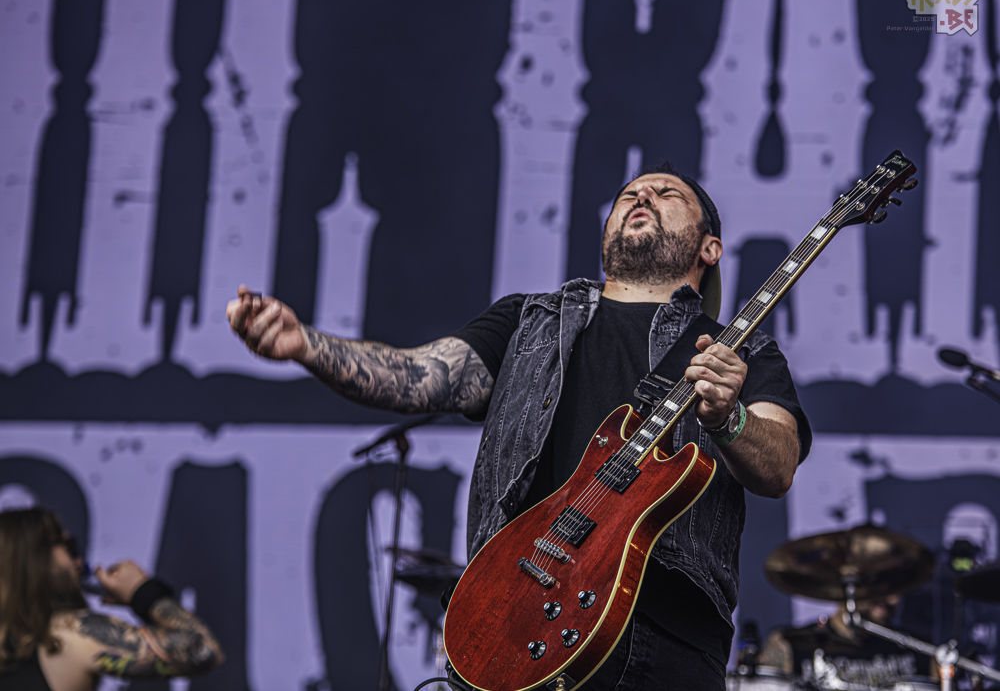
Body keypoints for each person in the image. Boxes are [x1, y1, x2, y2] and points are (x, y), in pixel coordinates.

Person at [227, 161, 811, 690]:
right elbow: (418, 378)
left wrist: (728, 417)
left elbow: (779, 463)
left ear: (710, 247)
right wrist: (307, 345)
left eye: (666, 194)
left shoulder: (740, 351)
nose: (642, 197)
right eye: (629, 193)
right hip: (508, 619)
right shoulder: (530, 322)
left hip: (662, 634)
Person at [0, 507, 224, 690]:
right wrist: (143, 592)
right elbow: (204, 651)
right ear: (36, 557)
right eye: (70, 548)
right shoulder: (65, 634)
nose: (80, 563)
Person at [756, 596, 935, 688]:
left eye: (898, 587)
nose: (893, 599)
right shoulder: (790, 643)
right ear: (846, 587)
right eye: (880, 586)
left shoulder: (919, 647)